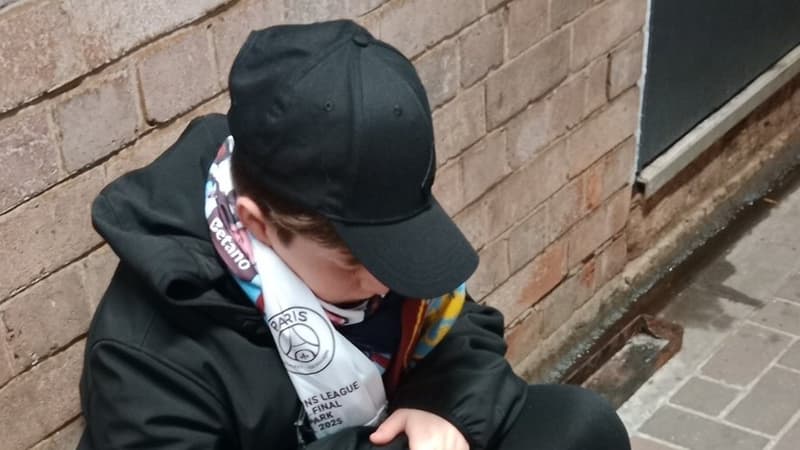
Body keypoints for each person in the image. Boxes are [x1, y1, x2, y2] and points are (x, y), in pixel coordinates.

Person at [77, 19, 630, 450]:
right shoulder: (145, 358)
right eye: (353, 262)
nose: (387, 282)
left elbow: (465, 331)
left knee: (580, 427)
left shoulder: (372, 232)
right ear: (258, 223)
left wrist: (440, 407)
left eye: (395, 250)